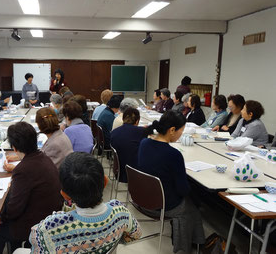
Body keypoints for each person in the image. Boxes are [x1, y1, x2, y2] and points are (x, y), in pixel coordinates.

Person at [29, 152, 142, 253]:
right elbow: (136, 234)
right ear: (105, 182)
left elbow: (37, 244)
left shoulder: (51, 228)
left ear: (65, 195)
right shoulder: (120, 212)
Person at [0, 122, 63, 254]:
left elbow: (13, 210)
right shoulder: (43, 157)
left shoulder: (23, 169)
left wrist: (1, 217)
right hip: (50, 216)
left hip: (36, 224)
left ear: (14, 148)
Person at [138, 110, 205, 253]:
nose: (182, 135)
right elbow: (182, 190)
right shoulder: (173, 154)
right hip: (161, 205)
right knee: (190, 208)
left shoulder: (144, 143)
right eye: (182, 131)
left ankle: (196, 243)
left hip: (142, 199)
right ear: (172, 130)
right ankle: (186, 248)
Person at [5, 108, 73, 170]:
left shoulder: (54, 144)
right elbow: (42, 155)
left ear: (39, 125)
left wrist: (15, 168)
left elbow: (41, 170)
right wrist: (19, 157)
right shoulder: (58, 134)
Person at [111, 107, 154, 182]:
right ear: (137, 121)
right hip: (134, 172)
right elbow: (151, 130)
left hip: (118, 170)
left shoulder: (114, 132)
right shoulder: (141, 131)